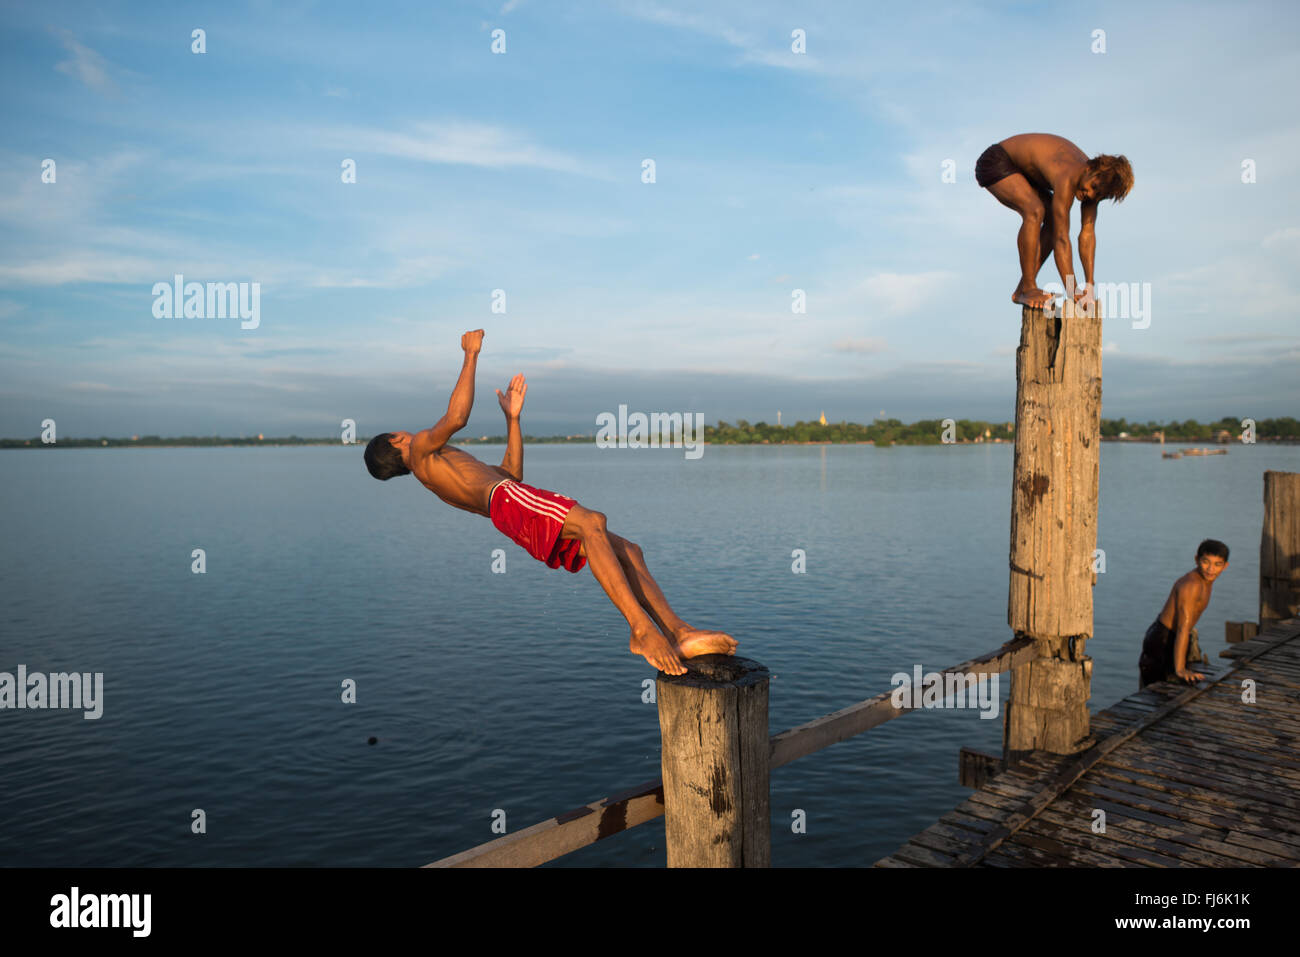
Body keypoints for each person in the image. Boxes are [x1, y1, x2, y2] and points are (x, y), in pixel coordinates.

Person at [363, 329, 736, 675]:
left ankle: (678, 632)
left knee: (629, 551)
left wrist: (513, 419)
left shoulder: (439, 467)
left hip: (508, 501)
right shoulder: (422, 453)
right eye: (404, 434)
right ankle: (641, 630)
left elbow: (511, 473)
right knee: (593, 523)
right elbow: (457, 417)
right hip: (507, 501)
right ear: (396, 441)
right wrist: (471, 354)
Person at [975, 132, 1133, 310]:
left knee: (1051, 219)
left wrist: (1089, 285)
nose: (1090, 194)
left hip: (1024, 172)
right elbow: (1061, 239)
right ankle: (1028, 288)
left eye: (1098, 195)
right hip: (997, 161)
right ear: (1089, 170)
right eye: (1093, 187)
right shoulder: (1067, 176)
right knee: (1035, 210)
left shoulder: (1092, 184)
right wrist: (1072, 290)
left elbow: (1087, 234)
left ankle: (1021, 290)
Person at [1138, 540, 1229, 688]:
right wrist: (1180, 670)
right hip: (1162, 640)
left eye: (1217, 564)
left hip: (1174, 638)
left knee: (1173, 692)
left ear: (1225, 566)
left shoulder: (1206, 581)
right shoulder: (1191, 585)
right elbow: (1182, 629)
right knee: (1156, 694)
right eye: (1206, 562)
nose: (1210, 569)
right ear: (1196, 560)